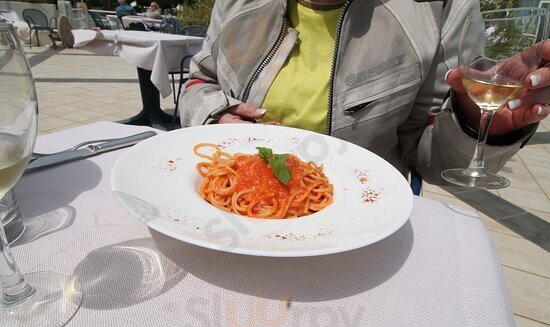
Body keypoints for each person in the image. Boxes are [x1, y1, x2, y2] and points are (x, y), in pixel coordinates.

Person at [178, 0, 550, 184]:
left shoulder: (439, 9)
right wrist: (215, 115)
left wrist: (474, 123)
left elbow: (430, 160)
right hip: (236, 198)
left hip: (358, 222)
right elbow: (199, 82)